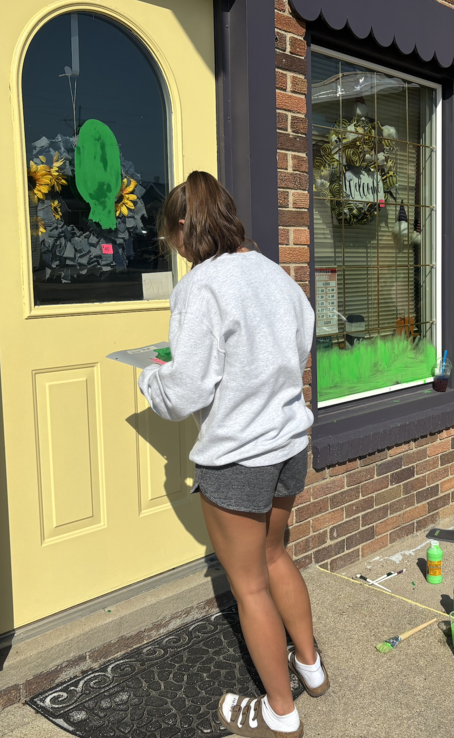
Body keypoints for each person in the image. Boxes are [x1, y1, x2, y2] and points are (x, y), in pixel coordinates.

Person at [139, 171, 325, 738]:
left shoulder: (200, 288)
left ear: (182, 230)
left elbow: (188, 390)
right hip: (289, 442)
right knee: (275, 556)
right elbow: (301, 343)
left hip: (239, 453)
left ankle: (279, 711)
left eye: (172, 241)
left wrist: (151, 381)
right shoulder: (275, 273)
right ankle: (311, 671)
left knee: (247, 586)